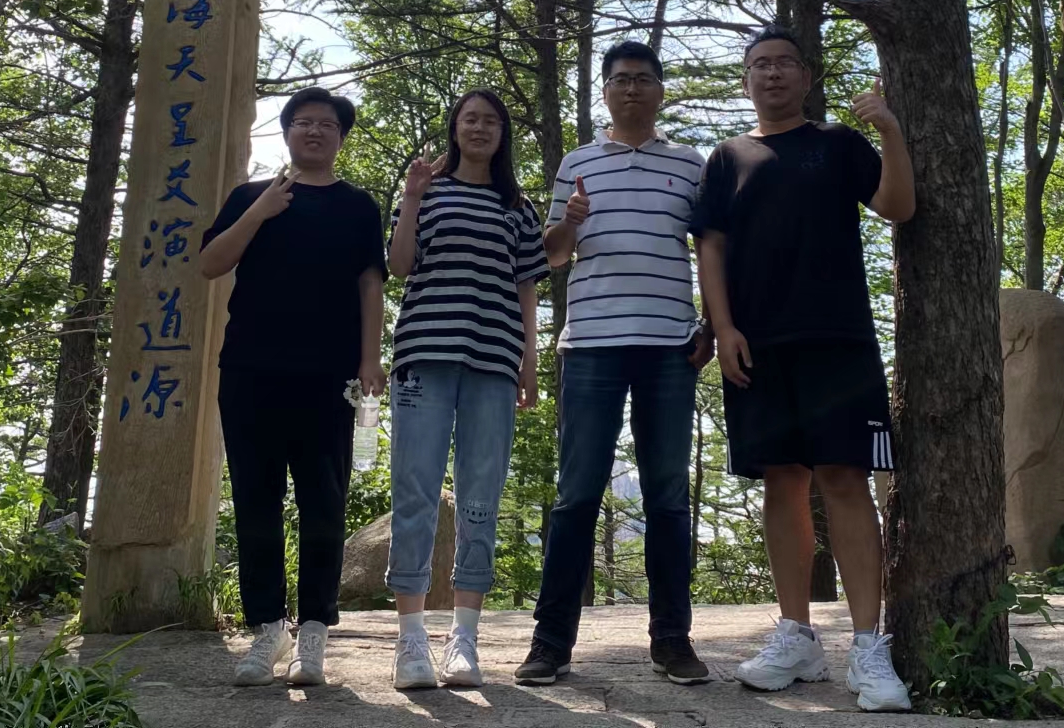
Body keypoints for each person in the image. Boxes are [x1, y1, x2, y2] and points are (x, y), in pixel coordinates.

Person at [689, 26, 916, 711]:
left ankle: (869, 646)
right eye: (760, 65)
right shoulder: (728, 157)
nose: (773, 74)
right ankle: (796, 634)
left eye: (784, 63)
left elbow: (898, 207)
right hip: (759, 344)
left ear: (806, 75)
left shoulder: (838, 142)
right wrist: (723, 326)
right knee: (781, 480)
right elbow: (710, 247)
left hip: (839, 340)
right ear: (746, 80)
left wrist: (890, 131)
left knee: (846, 478)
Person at [515, 41, 711, 686]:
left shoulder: (690, 164)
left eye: (643, 79)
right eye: (621, 79)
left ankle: (672, 641)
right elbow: (550, 256)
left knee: (667, 497)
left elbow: (712, 250)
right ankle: (550, 644)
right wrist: (570, 223)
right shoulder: (577, 163)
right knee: (576, 495)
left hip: (670, 345)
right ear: (605, 91)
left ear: (660, 91)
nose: (632, 88)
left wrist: (714, 325)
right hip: (592, 344)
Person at [197, 86, 387, 688]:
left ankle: (314, 632)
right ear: (286, 133)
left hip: (328, 377)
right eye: (303, 122)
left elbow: (370, 284)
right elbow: (210, 263)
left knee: (323, 503)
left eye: (327, 124)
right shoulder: (250, 196)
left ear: (340, 137)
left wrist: (370, 359)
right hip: (250, 371)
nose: (314, 131)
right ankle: (266, 630)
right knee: (256, 502)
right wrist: (260, 211)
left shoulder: (358, 206)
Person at [385, 89, 547, 689]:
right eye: (469, 119)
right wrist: (410, 198)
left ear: (503, 134)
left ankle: (464, 640)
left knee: (481, 496)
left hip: (494, 360)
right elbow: (399, 265)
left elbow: (527, 285)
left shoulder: (518, 207)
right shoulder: (427, 191)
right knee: (415, 491)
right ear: (454, 128)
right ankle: (410, 641)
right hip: (423, 355)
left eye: (491, 121)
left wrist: (529, 359)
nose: (479, 128)